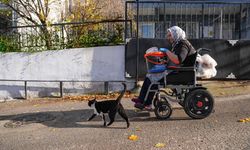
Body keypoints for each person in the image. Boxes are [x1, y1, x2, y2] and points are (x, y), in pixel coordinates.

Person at [131, 26, 196, 110]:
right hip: (179, 71)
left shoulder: (183, 44)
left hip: (181, 73)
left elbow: (178, 60)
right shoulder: (178, 44)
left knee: (152, 78)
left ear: (176, 34)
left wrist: (166, 51)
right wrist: (165, 60)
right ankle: (142, 100)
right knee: (150, 75)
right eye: (168, 35)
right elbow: (175, 59)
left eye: (170, 35)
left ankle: (147, 103)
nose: (168, 38)